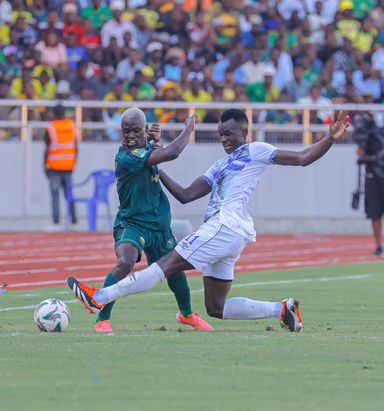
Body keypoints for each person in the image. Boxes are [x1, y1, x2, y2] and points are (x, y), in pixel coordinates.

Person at [67, 109, 350, 332]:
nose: (224, 138)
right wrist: (152, 166)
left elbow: (302, 158)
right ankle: (281, 309)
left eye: (228, 133)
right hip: (228, 235)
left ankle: (99, 298)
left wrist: (330, 138)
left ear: (244, 131)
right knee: (217, 307)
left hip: (225, 227)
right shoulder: (219, 165)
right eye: (219, 134)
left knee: (165, 264)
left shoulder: (257, 150)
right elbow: (186, 195)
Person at [82, 107, 212, 333]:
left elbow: (150, 151)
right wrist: (189, 128)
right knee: (125, 262)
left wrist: (151, 140)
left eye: (135, 131)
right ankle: (102, 318)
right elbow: (171, 153)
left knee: (174, 271)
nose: (130, 136)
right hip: (131, 223)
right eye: (126, 132)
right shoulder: (125, 157)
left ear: (143, 129)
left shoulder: (145, 148)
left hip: (159, 226)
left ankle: (188, 314)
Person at [44, 104, 78, 231]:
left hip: (54, 167)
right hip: (69, 166)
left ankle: (56, 222)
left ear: (53, 113)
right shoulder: (72, 126)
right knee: (69, 195)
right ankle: (74, 221)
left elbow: (47, 148)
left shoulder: (51, 127)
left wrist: (44, 165)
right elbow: (76, 146)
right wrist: (73, 162)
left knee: (55, 195)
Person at [354, 112, 384, 256]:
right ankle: (378, 245)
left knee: (375, 215)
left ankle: (379, 245)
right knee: (375, 214)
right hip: (372, 178)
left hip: (375, 179)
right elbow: (360, 155)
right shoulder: (368, 138)